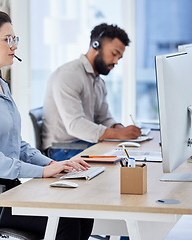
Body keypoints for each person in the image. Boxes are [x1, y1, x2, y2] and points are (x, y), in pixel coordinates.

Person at [0, 11, 94, 240]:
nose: (14, 46)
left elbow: (19, 145)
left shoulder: (1, 85)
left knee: (81, 212)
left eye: (15, 39)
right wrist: (42, 172)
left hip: (4, 184)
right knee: (64, 221)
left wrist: (55, 164)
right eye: (7, 39)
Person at [42, 23, 141, 161]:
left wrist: (118, 127)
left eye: (119, 58)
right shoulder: (69, 75)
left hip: (85, 144)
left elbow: (104, 118)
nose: (116, 62)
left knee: (128, 156)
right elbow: (75, 125)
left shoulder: (98, 82)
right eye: (114, 54)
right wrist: (117, 134)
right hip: (63, 149)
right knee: (119, 163)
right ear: (96, 45)